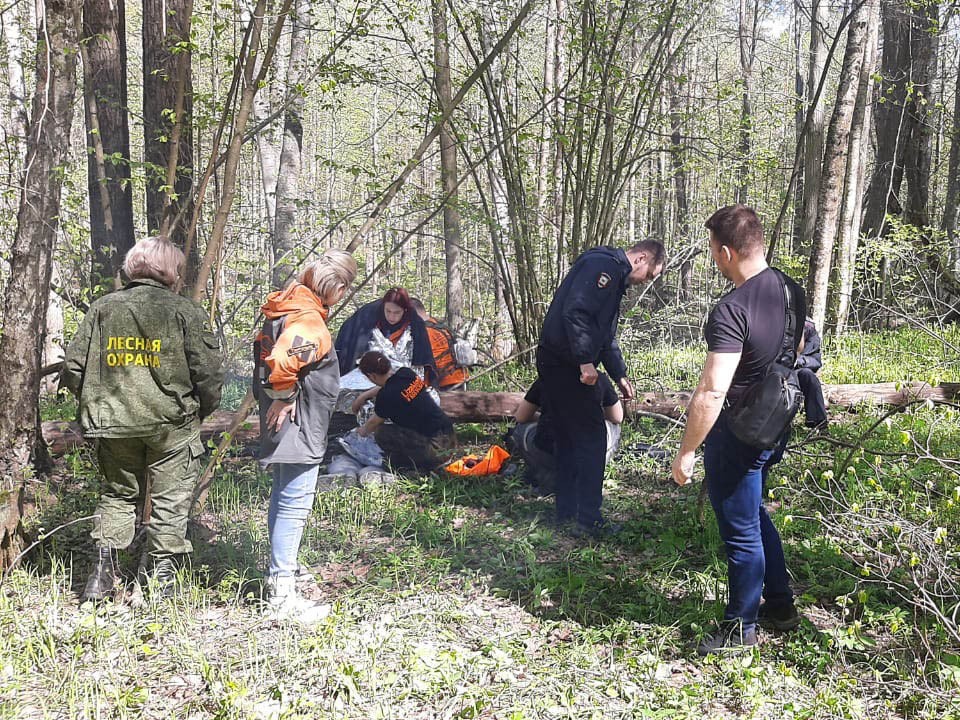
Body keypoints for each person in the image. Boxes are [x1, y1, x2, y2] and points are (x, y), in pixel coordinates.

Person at [671, 204, 804, 656]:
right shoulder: (792, 290)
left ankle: (739, 628)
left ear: (726, 251)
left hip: (741, 433)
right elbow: (798, 349)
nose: (713, 258)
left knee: (741, 530)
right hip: (777, 424)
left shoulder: (732, 308)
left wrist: (687, 450)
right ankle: (781, 605)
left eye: (713, 250)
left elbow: (711, 391)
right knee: (754, 513)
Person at [61, 236, 224, 602]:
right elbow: (210, 375)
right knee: (169, 501)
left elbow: (73, 368)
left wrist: (99, 407)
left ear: (132, 267)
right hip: (172, 426)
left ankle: (100, 578)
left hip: (114, 425)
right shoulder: (184, 311)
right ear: (172, 272)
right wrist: (200, 410)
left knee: (118, 495)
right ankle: (159, 585)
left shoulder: (104, 308)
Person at [254, 249, 358, 622]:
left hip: (291, 423)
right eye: (345, 287)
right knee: (295, 502)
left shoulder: (287, 306)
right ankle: (282, 594)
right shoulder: (308, 320)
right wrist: (283, 396)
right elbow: (284, 362)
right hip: (300, 422)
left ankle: (284, 572)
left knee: (285, 497)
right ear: (336, 287)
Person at [536, 239, 664, 537]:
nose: (644, 282)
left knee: (567, 438)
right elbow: (576, 313)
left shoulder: (613, 274)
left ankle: (567, 512)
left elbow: (603, 333)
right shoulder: (602, 267)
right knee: (591, 439)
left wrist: (619, 373)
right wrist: (585, 362)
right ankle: (588, 520)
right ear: (641, 258)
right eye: (649, 275)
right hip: (566, 366)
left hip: (559, 362)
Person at [511, 373, 623, 493]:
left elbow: (520, 417)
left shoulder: (547, 377)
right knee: (614, 427)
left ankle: (550, 475)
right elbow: (617, 417)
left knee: (520, 429)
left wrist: (546, 416)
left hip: (550, 452)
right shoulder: (599, 378)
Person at [352, 350, 457, 471]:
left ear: (372, 376)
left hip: (436, 452)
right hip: (450, 439)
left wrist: (357, 436)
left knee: (382, 433)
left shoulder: (386, 396)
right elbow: (392, 387)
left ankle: (407, 465)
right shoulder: (407, 374)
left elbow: (371, 425)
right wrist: (363, 396)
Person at [333, 287, 434, 378]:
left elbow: (422, 358)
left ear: (405, 310)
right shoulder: (367, 315)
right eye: (388, 311)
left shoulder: (415, 322)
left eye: (397, 312)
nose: (391, 317)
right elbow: (351, 348)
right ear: (383, 307)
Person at [409, 297, 470, 390]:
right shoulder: (440, 325)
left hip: (444, 385)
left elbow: (423, 364)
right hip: (461, 378)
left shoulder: (423, 332)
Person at [796, 317, 828, 430]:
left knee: (809, 377)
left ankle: (818, 423)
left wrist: (799, 361)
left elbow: (816, 360)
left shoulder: (808, 327)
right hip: (772, 369)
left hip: (796, 370)